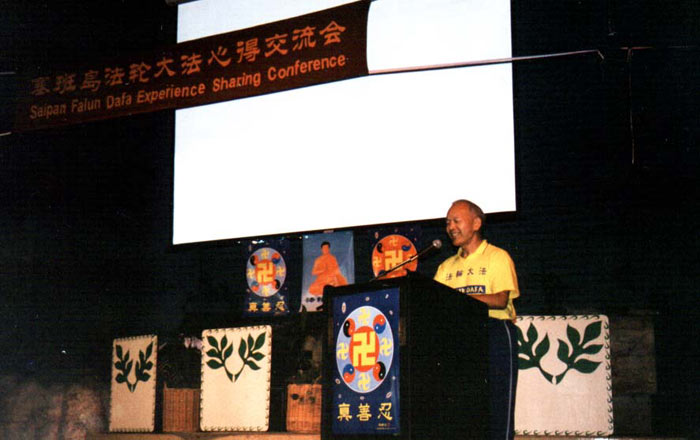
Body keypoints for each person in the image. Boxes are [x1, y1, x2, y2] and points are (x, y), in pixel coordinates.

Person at [434, 199, 519, 440]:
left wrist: (461, 299)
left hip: (493, 333)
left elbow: (500, 299)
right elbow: (435, 305)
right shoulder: (445, 267)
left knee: (497, 404)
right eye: (447, 222)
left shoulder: (497, 257)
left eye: (456, 221)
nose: (450, 227)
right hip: (457, 337)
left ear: (476, 223)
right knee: (462, 407)